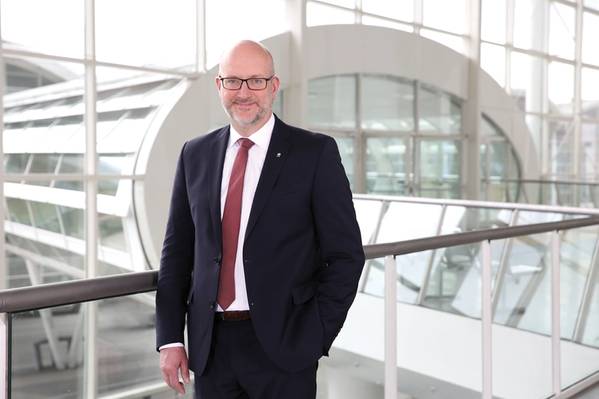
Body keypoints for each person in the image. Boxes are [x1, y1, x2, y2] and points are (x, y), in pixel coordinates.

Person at [155, 40, 365, 399]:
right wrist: (171, 339)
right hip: (211, 348)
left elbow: (345, 255)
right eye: (233, 81)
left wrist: (316, 333)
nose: (244, 92)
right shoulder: (195, 154)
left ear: (274, 85)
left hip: (286, 346)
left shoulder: (314, 153)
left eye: (256, 81)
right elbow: (177, 254)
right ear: (219, 86)